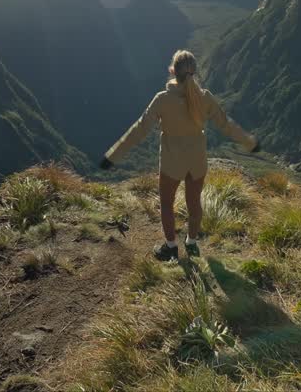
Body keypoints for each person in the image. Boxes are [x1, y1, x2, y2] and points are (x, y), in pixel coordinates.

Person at [100, 50, 260, 260]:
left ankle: (171, 247)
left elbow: (140, 129)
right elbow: (226, 124)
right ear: (195, 72)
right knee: (194, 204)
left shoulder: (162, 99)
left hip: (172, 161)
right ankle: (191, 243)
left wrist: (113, 155)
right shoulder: (205, 97)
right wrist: (249, 142)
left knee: (167, 203)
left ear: (172, 71)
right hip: (197, 160)